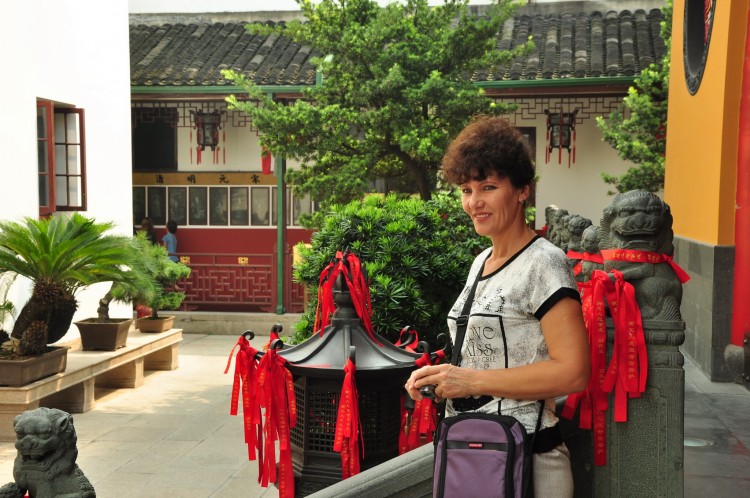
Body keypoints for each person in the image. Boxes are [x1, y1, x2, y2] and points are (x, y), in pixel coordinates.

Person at [404, 116, 589, 497]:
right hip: (477, 454)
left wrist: (469, 381)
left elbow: (574, 372)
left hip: (531, 459)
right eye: (466, 189)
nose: (474, 202)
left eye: (488, 187)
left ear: (522, 190)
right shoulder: (482, 261)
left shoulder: (545, 262)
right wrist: (442, 378)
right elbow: (486, 355)